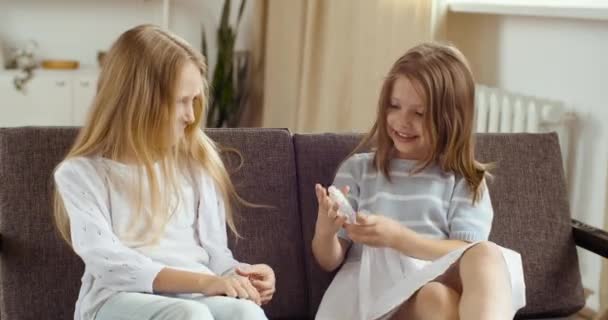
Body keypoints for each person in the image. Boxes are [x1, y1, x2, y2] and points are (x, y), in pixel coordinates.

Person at [53, 24, 275, 320]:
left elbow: (215, 255)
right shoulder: (81, 174)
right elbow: (108, 263)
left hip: (194, 297)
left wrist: (242, 277)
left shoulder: (196, 166)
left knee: (245, 313)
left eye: (194, 101)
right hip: (116, 300)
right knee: (189, 315)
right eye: (182, 101)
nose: (191, 116)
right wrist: (206, 282)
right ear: (140, 103)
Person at [312, 42, 526, 320]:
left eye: (419, 113)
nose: (401, 121)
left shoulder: (466, 180)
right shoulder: (359, 170)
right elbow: (329, 260)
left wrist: (399, 238)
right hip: (377, 299)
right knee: (437, 295)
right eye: (394, 106)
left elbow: (464, 253)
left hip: (434, 288)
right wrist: (326, 232)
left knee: (482, 256)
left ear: (451, 120)